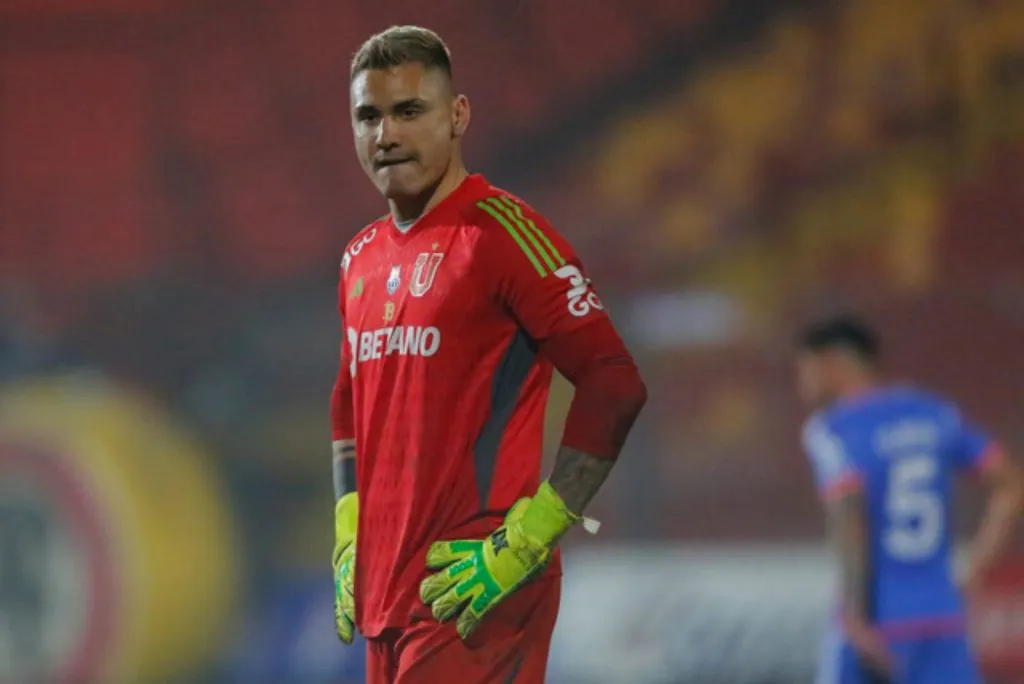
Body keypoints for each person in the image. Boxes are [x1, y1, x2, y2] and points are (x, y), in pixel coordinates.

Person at [329, 25, 647, 684]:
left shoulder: (500, 235)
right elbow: (347, 404)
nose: (386, 134)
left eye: (409, 111)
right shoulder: (360, 258)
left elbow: (613, 382)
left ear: (458, 116)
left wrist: (531, 537)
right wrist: (349, 528)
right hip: (386, 602)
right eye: (369, 116)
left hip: (476, 590)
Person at [796, 315, 1024, 684]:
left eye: (806, 370)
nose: (803, 384)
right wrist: (978, 568)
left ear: (833, 364)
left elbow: (849, 513)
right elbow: (1011, 484)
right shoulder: (936, 415)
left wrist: (855, 615)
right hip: (941, 616)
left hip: (879, 618)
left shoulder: (833, 430)